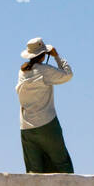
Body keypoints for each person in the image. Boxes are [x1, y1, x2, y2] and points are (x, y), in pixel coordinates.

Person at [16, 37, 75, 173]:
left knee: (34, 171)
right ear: (43, 55)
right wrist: (56, 57)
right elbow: (68, 74)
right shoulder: (45, 71)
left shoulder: (22, 72)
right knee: (62, 165)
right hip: (47, 124)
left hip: (26, 127)